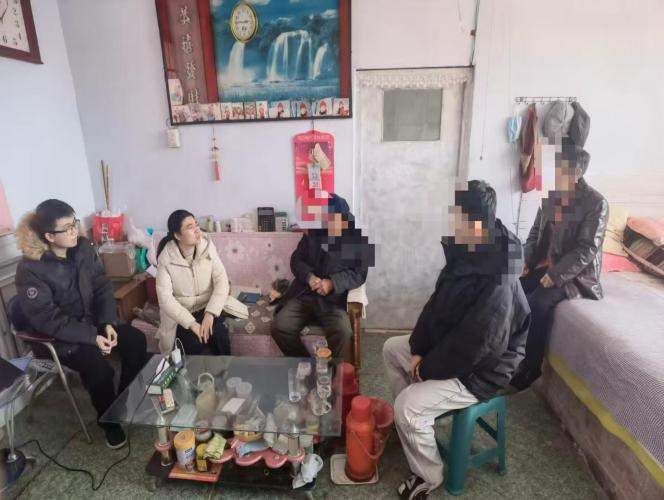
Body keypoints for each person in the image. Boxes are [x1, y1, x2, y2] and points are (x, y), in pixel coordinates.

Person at [382, 181, 530, 499]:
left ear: (475, 225)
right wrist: (420, 349)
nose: (452, 222)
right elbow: (437, 304)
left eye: (457, 217)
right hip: (454, 348)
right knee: (393, 349)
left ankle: (427, 476)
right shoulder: (469, 249)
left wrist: (427, 367)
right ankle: (415, 425)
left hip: (486, 368)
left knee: (407, 406)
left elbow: (478, 343)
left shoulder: (499, 277)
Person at [13, 199, 148, 449]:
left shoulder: (83, 248)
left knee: (136, 340)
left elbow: (102, 286)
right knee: (98, 369)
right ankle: (109, 422)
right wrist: (92, 337)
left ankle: (122, 401)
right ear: (49, 236)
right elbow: (47, 319)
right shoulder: (30, 269)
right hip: (60, 337)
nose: (75, 230)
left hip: (94, 322)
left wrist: (107, 322)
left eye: (74, 223)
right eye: (67, 228)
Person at [510, 138, 608, 390]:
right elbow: (535, 233)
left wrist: (555, 274)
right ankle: (506, 354)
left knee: (537, 303)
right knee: (510, 290)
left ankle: (531, 367)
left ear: (577, 173)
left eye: (560, 169)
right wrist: (527, 259)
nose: (554, 174)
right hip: (546, 264)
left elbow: (587, 249)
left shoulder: (596, 203)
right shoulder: (552, 197)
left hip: (575, 274)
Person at [271, 194, 373, 359]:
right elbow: (296, 260)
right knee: (280, 326)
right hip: (305, 294)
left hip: (333, 300)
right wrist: (309, 277)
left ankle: (333, 372)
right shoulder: (313, 231)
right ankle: (306, 364)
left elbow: (359, 274)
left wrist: (332, 283)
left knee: (343, 332)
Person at [156, 210, 231, 356]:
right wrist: (191, 323)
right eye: (190, 227)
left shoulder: (207, 246)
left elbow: (221, 281)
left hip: (207, 307)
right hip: (182, 315)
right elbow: (165, 299)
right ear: (178, 236)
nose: (197, 230)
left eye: (196, 224)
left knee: (220, 336)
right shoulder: (165, 258)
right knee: (194, 346)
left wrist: (210, 313)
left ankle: (226, 370)